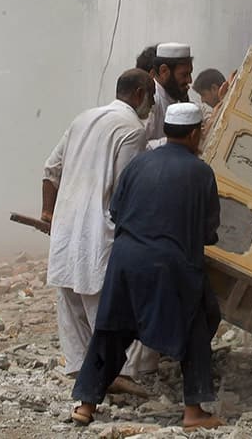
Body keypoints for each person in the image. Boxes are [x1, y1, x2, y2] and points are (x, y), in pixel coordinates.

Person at [71, 103, 224, 430]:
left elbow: (115, 211)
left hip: (125, 260)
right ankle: (194, 412)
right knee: (197, 325)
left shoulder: (139, 164)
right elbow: (209, 231)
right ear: (195, 133)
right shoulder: (201, 172)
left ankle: (85, 405)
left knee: (110, 331)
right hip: (171, 265)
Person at [42, 69, 158, 395]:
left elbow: (50, 169)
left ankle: (81, 367)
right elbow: (126, 188)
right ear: (138, 94)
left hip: (66, 225)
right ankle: (107, 373)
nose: (151, 107)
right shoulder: (132, 129)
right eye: (149, 97)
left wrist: (48, 213)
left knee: (69, 299)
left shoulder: (84, 117)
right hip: (99, 228)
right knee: (102, 304)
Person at [144, 42, 194, 143]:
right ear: (164, 71)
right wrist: (176, 142)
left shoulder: (176, 95)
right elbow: (140, 147)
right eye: (184, 75)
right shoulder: (151, 101)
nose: (189, 80)